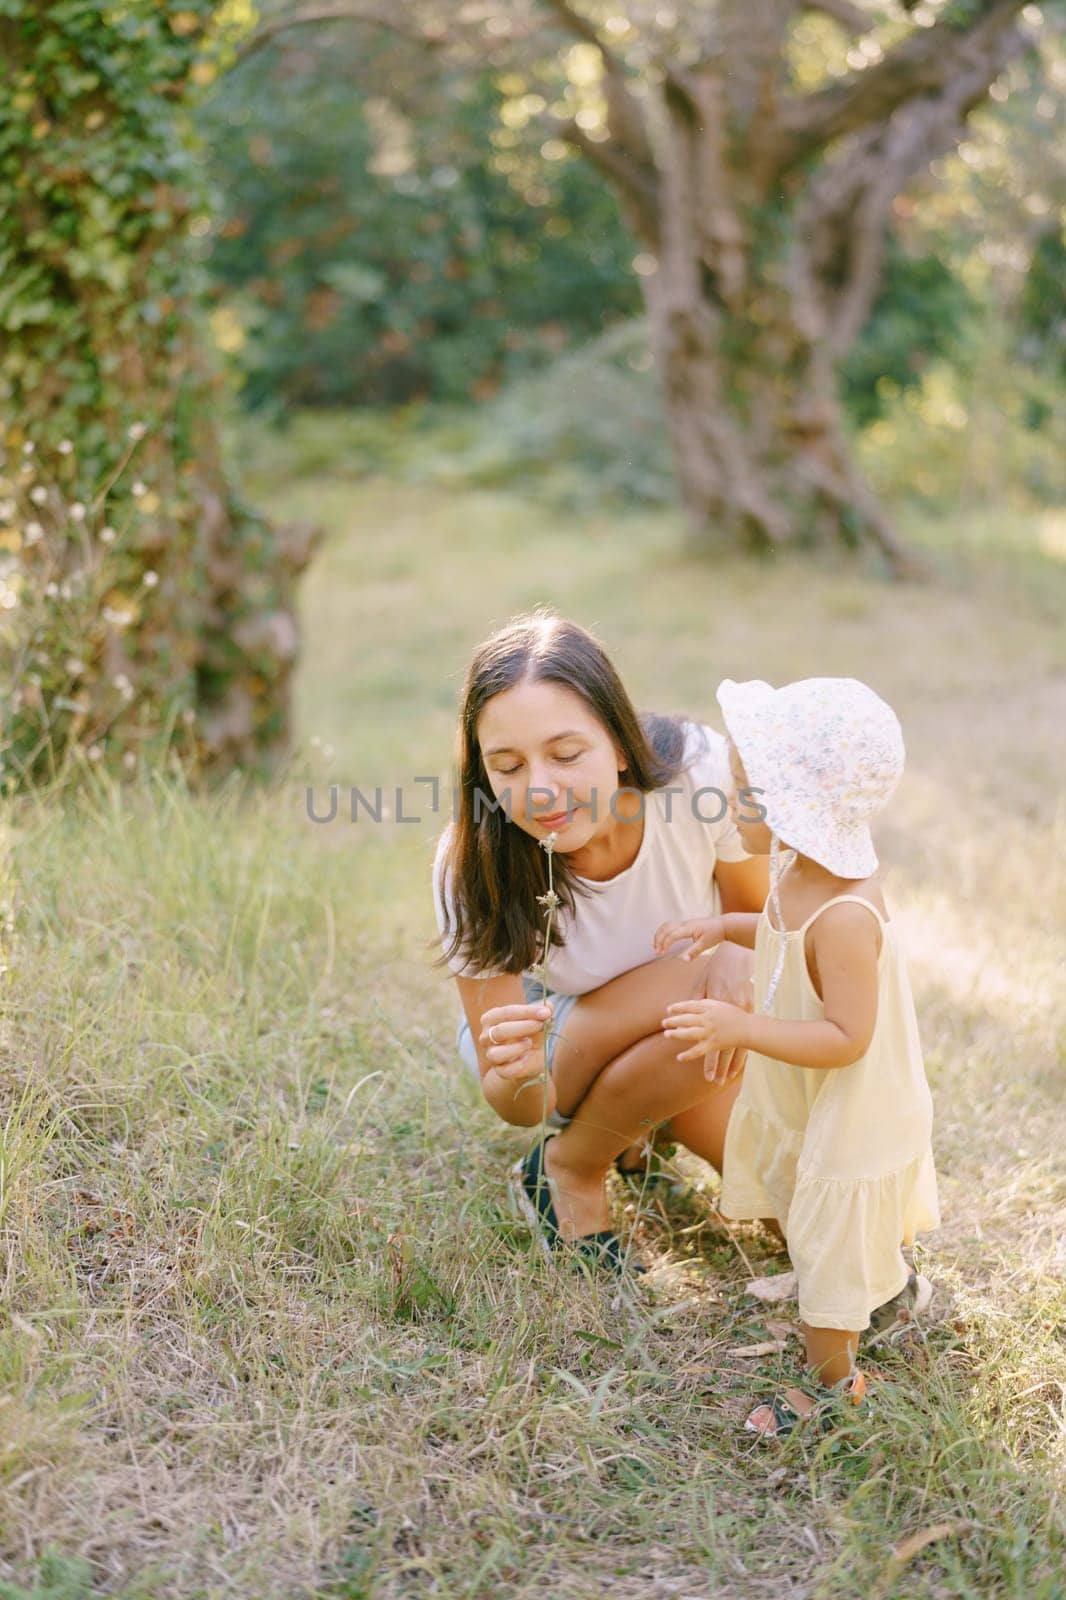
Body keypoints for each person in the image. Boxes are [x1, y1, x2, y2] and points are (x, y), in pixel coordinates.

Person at [430, 609, 768, 1274]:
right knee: (697, 980)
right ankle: (574, 1166)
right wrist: (520, 1074)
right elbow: (521, 1105)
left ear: (619, 743)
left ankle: (621, 1137)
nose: (541, 790)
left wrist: (738, 950)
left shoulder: (699, 777)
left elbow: (757, 921)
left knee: (791, 1207)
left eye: (565, 755)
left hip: (695, 1020)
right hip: (560, 1024)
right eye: (508, 766)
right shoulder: (470, 864)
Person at [654, 676, 940, 1436]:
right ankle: (880, 1284)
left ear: (797, 807)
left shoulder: (848, 912)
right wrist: (725, 929)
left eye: (744, 788)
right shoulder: (799, 873)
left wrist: (739, 1027)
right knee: (803, 1207)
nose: (729, 797)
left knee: (834, 1236)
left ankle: (834, 1382)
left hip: (856, 1107)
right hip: (809, 1095)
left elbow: (848, 1038)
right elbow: (781, 933)